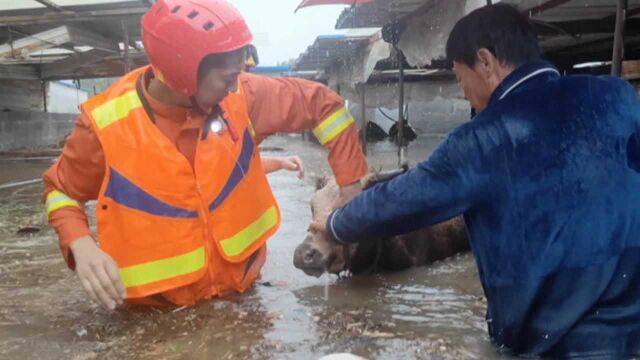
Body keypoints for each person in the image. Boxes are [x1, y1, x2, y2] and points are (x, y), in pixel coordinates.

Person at [314, 4, 640, 358]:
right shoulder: (616, 97)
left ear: (485, 61)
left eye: (458, 77)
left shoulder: (484, 140)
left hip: (557, 346)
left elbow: (403, 199)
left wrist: (335, 224)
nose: (463, 91)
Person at [43, 0, 367, 310]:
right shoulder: (104, 126)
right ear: (183, 74)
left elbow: (325, 107)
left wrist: (351, 187)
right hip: (154, 317)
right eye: (227, 77)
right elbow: (61, 192)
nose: (234, 86)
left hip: (244, 298)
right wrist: (81, 245)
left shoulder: (243, 95)